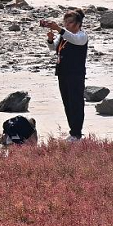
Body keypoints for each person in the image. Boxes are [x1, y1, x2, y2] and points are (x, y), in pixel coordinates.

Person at [43, 8, 88, 141]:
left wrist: (59, 29)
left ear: (78, 24)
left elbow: (74, 39)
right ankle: (72, 131)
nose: (67, 25)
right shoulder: (63, 36)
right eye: (65, 22)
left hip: (75, 73)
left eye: (70, 22)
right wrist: (50, 40)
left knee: (76, 102)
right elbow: (53, 48)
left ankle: (77, 132)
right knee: (67, 102)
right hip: (63, 72)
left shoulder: (81, 36)